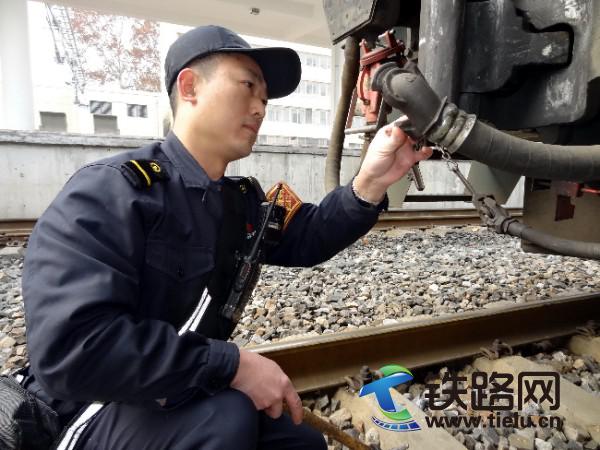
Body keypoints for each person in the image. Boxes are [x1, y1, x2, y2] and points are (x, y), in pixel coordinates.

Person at [22, 25, 432, 449]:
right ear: (190, 87)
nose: (259, 108)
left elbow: (309, 236)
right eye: (248, 86)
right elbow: (72, 350)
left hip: (166, 390)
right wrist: (230, 365)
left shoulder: (234, 203)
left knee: (300, 442)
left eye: (265, 99)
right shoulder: (111, 192)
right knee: (226, 417)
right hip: (80, 414)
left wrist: (371, 181)